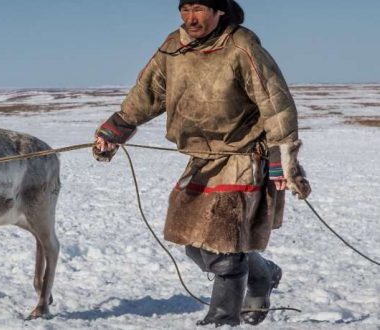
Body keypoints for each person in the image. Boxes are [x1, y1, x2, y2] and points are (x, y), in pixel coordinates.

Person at [93, 0, 311, 326]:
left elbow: (275, 102)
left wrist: (283, 157)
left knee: (223, 251)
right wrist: (116, 129)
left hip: (243, 157)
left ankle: (222, 319)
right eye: (185, 9)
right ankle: (262, 273)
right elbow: (148, 92)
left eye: (199, 9)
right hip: (201, 161)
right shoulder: (174, 48)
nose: (190, 18)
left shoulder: (241, 45)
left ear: (219, 10)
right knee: (195, 244)